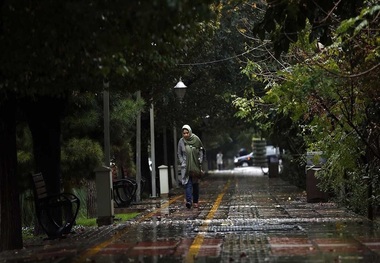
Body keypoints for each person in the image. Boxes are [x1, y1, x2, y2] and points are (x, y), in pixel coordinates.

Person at [177, 124, 205, 209]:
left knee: (195, 184)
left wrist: (199, 161)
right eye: (184, 133)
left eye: (187, 133)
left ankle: (195, 201)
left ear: (190, 132)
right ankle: (189, 201)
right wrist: (182, 162)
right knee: (187, 184)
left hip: (195, 165)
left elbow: (201, 151)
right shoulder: (181, 141)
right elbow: (179, 153)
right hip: (185, 166)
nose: (185, 135)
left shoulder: (196, 139)